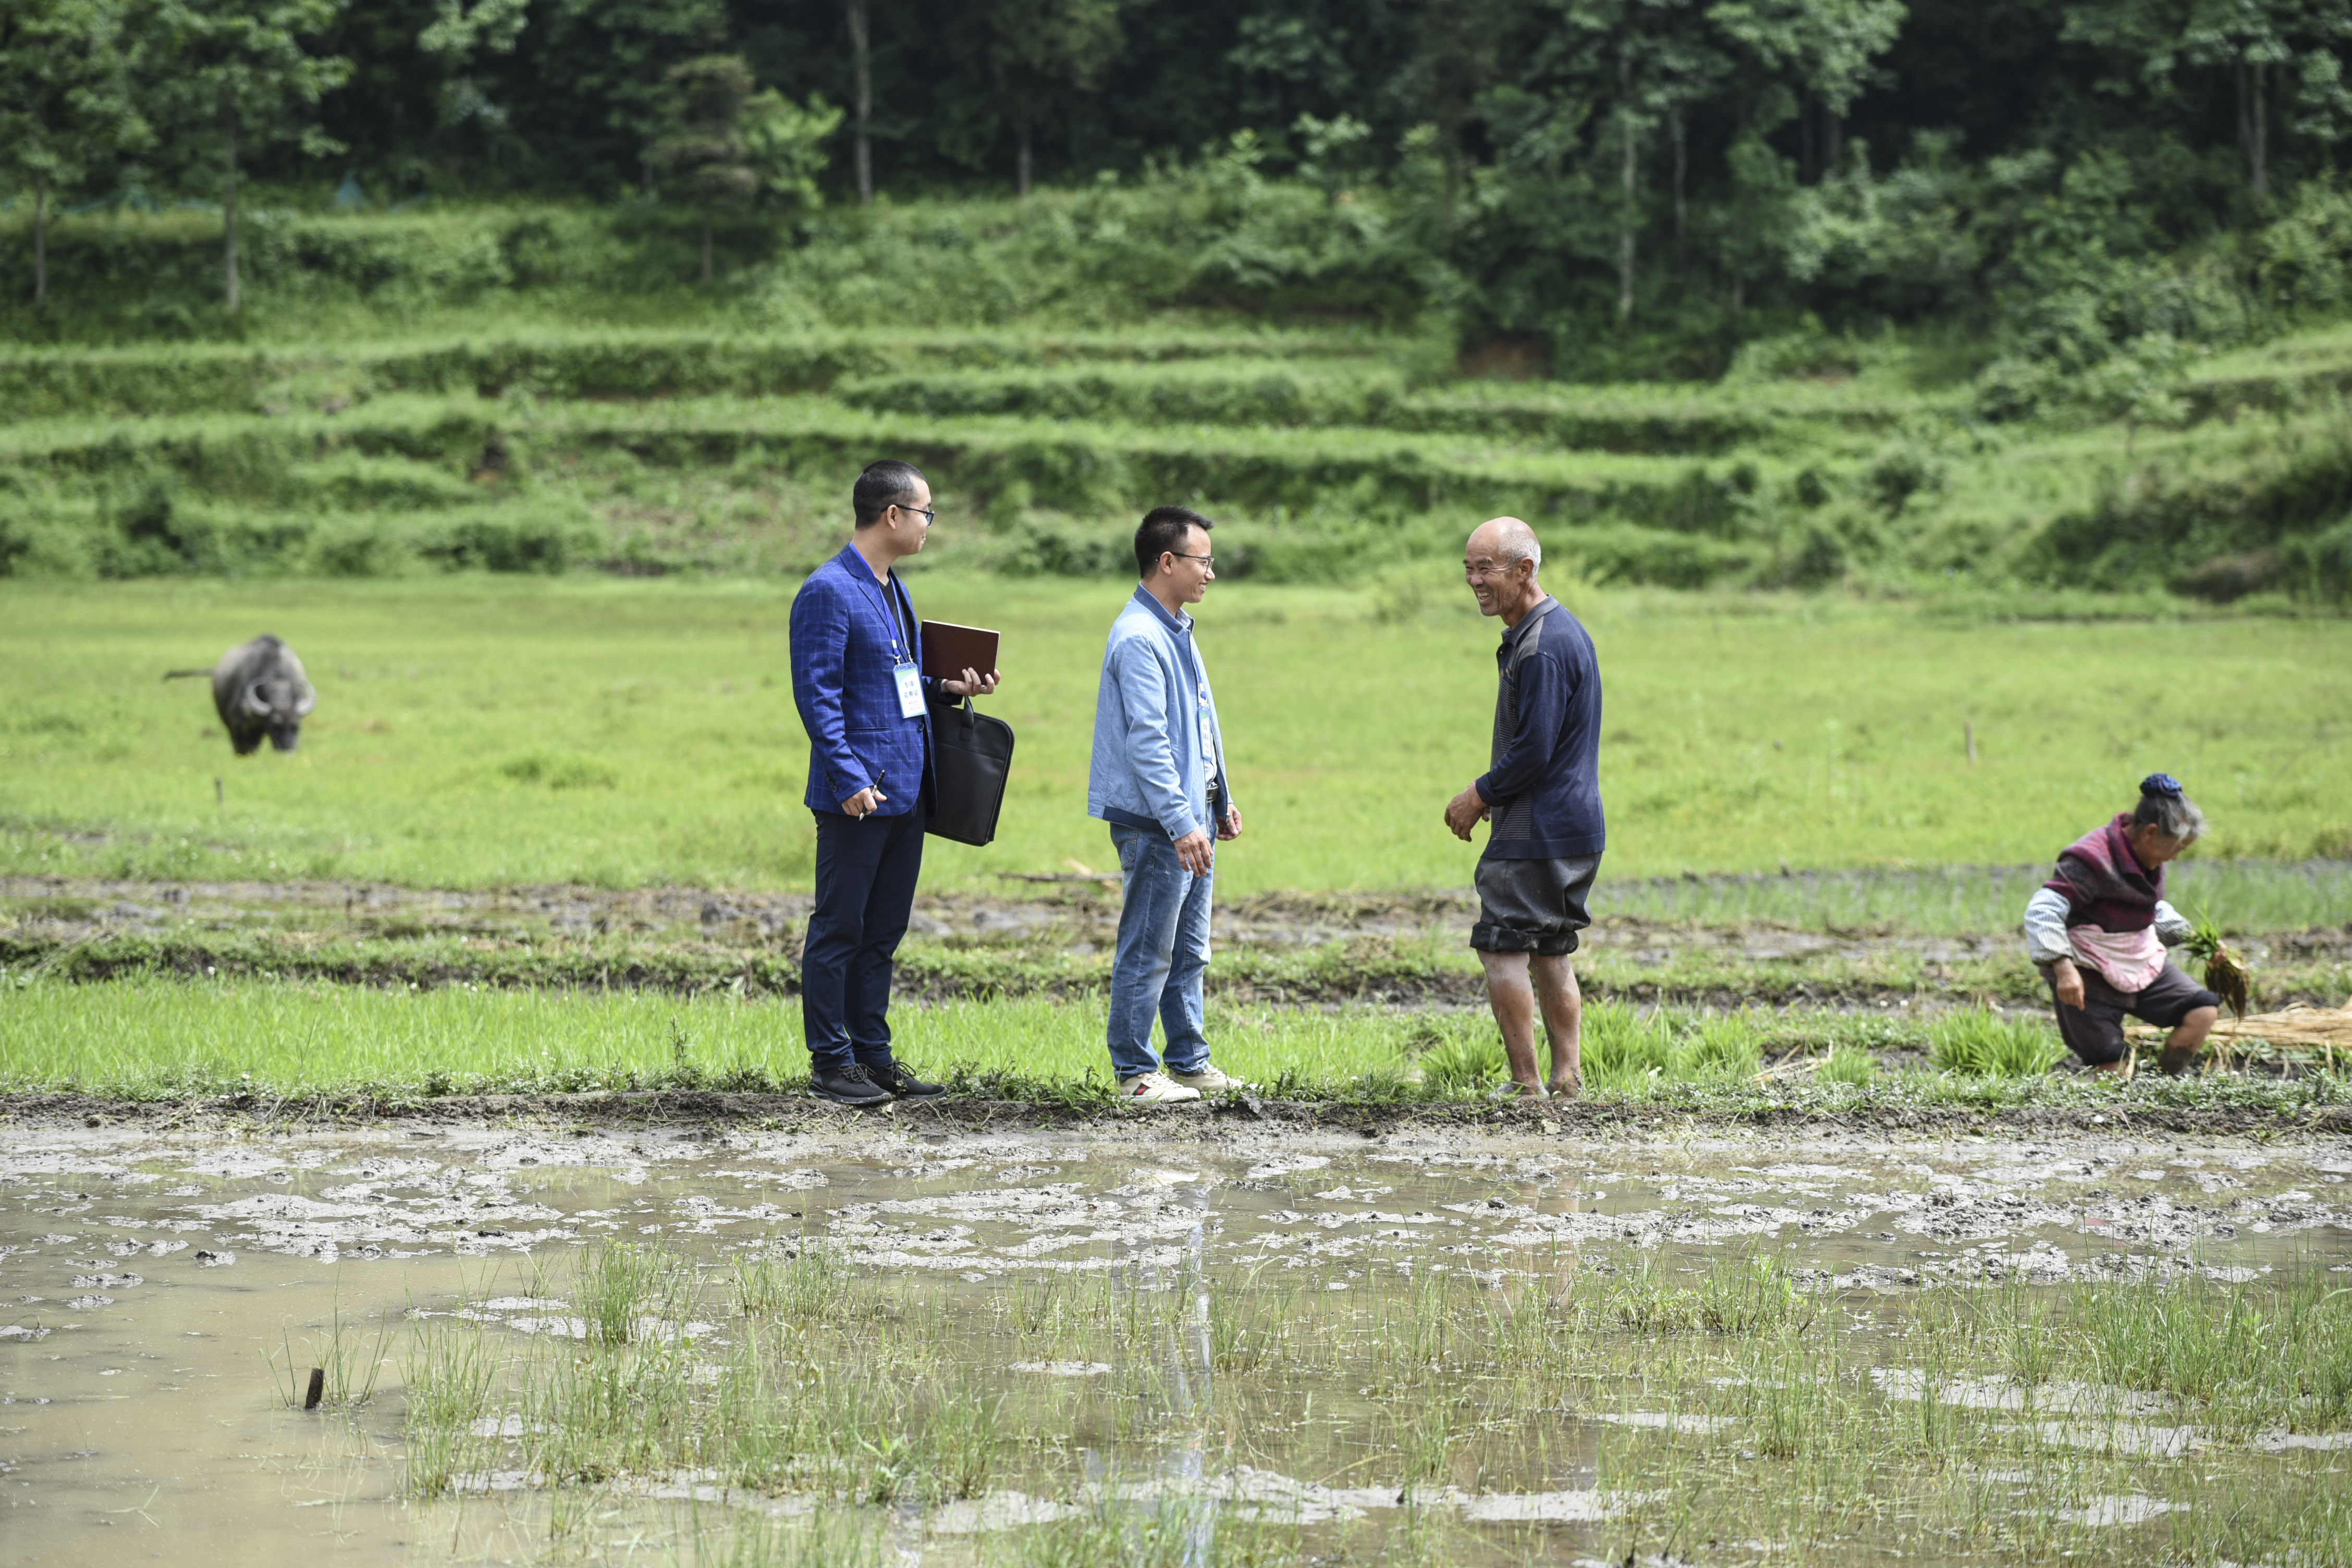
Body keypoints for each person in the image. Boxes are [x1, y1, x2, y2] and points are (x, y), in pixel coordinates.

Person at [789, 460, 999, 1106]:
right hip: (859, 794)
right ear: (892, 515)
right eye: (926, 512)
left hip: (906, 789)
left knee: (883, 932)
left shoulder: (890, 586)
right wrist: (847, 775)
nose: (929, 523)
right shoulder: (828, 590)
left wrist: (948, 688)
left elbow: (894, 681)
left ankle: (873, 1057)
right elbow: (817, 695)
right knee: (839, 929)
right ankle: (831, 1061)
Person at [1088, 505, 1247, 1105]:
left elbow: (1199, 727)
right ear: (1167, 561)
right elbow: (1149, 742)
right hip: (1159, 823)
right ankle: (1134, 1072)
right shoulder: (1138, 637)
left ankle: (1189, 1061)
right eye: (1203, 561)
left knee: (1189, 949)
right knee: (1149, 946)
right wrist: (1182, 822)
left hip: (1189, 816)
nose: (1210, 572)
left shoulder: (1174, 627)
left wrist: (1218, 800)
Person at [1443, 517, 1605, 1099]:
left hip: (1534, 829)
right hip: (1577, 826)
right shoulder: (1562, 631)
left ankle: (1526, 1083)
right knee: (1552, 949)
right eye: (1469, 567)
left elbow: (1534, 749)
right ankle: (1567, 1077)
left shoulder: (1539, 647)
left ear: (1524, 569)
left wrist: (1479, 794)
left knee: (1502, 944)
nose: (1473, 580)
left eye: (1485, 568)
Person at [2025, 775, 2220, 1075]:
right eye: (2176, 848)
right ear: (2151, 833)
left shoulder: (2149, 860)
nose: (2176, 857)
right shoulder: (2090, 858)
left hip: (2138, 955)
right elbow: (2044, 909)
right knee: (2113, 1066)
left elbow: (2150, 910)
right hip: (2086, 967)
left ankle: (2165, 1084)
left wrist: (2196, 939)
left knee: (2202, 1012)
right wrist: (2063, 970)